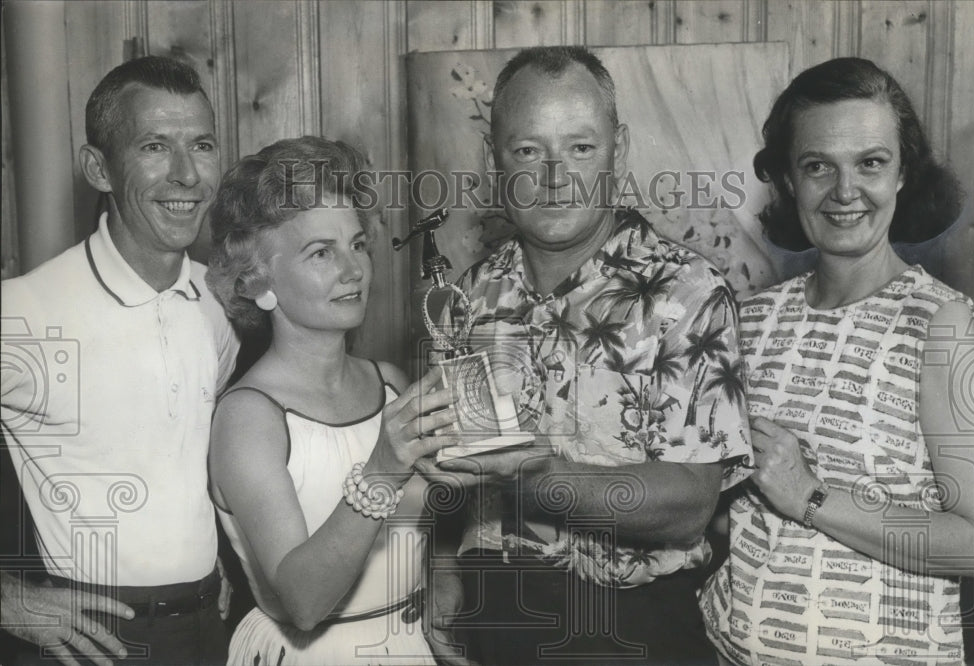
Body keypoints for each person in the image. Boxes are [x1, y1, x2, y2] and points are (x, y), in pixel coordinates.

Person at [422, 46, 753, 665]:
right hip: (494, 617)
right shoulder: (468, 297)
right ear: (494, 160)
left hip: (631, 631)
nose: (554, 176)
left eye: (580, 148)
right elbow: (451, 464)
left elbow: (688, 506)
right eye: (527, 151)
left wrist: (536, 480)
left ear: (619, 151)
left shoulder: (689, 293)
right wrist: (441, 570)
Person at [699, 57, 974, 665]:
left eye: (871, 163)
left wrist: (810, 495)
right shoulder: (750, 319)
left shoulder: (941, 323)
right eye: (818, 166)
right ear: (787, 179)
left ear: (903, 174)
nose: (844, 191)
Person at [1, 56, 239, 665]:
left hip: (208, 628)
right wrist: (4, 599)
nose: (186, 174)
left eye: (203, 145)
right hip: (90, 642)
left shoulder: (220, 304)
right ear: (99, 168)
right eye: (155, 146)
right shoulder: (22, 309)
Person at [205, 136, 461, 665]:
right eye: (322, 252)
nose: (354, 270)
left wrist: (440, 574)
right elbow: (302, 601)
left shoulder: (388, 381)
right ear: (258, 281)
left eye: (359, 244)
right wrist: (383, 469)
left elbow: (429, 518)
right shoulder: (249, 417)